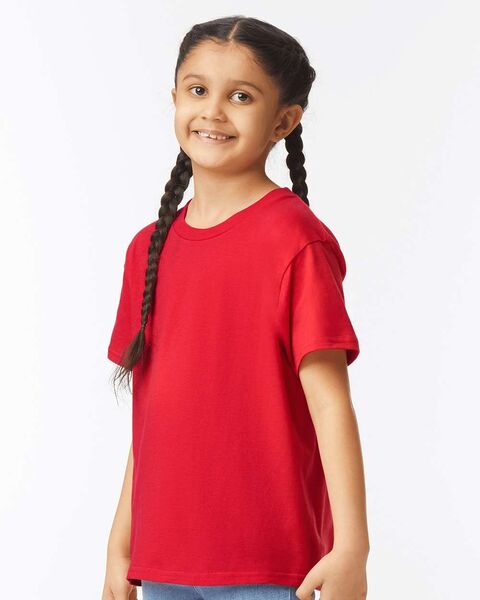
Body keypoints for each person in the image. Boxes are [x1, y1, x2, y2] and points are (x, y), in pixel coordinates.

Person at [101, 14, 369, 600]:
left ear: (284, 120)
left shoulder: (295, 241)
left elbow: (330, 404)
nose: (214, 112)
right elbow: (152, 421)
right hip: (164, 563)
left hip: (272, 566)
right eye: (198, 90)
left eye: (241, 96)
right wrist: (121, 546)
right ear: (175, 98)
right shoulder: (148, 249)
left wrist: (352, 548)